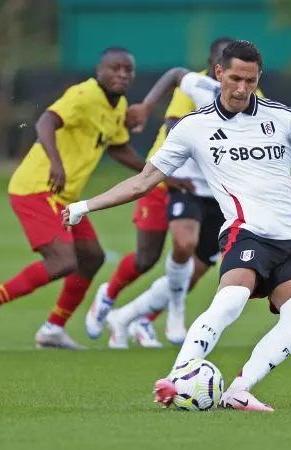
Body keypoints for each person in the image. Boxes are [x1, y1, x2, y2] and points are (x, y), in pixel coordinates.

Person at [63, 40, 291, 411]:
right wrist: (85, 205)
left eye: (250, 80)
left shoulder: (284, 118)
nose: (242, 88)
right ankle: (176, 380)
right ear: (219, 73)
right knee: (231, 300)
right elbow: (142, 181)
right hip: (246, 232)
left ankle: (240, 389)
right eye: (235, 78)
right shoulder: (194, 127)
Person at [0, 47, 158, 350]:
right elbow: (45, 122)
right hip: (37, 187)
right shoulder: (84, 95)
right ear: (98, 71)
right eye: (115, 68)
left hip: (65, 197)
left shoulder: (117, 107)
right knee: (63, 260)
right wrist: (55, 161)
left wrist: (157, 171)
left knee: (92, 257)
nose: (121, 75)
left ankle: (53, 329)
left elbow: (118, 148)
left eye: (127, 70)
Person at [85, 37, 234, 346]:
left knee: (195, 268)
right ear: (212, 65)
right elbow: (174, 128)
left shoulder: (249, 94)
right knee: (148, 257)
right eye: (223, 64)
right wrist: (148, 107)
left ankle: (140, 319)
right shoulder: (199, 87)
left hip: (215, 192)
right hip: (169, 180)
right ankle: (108, 295)